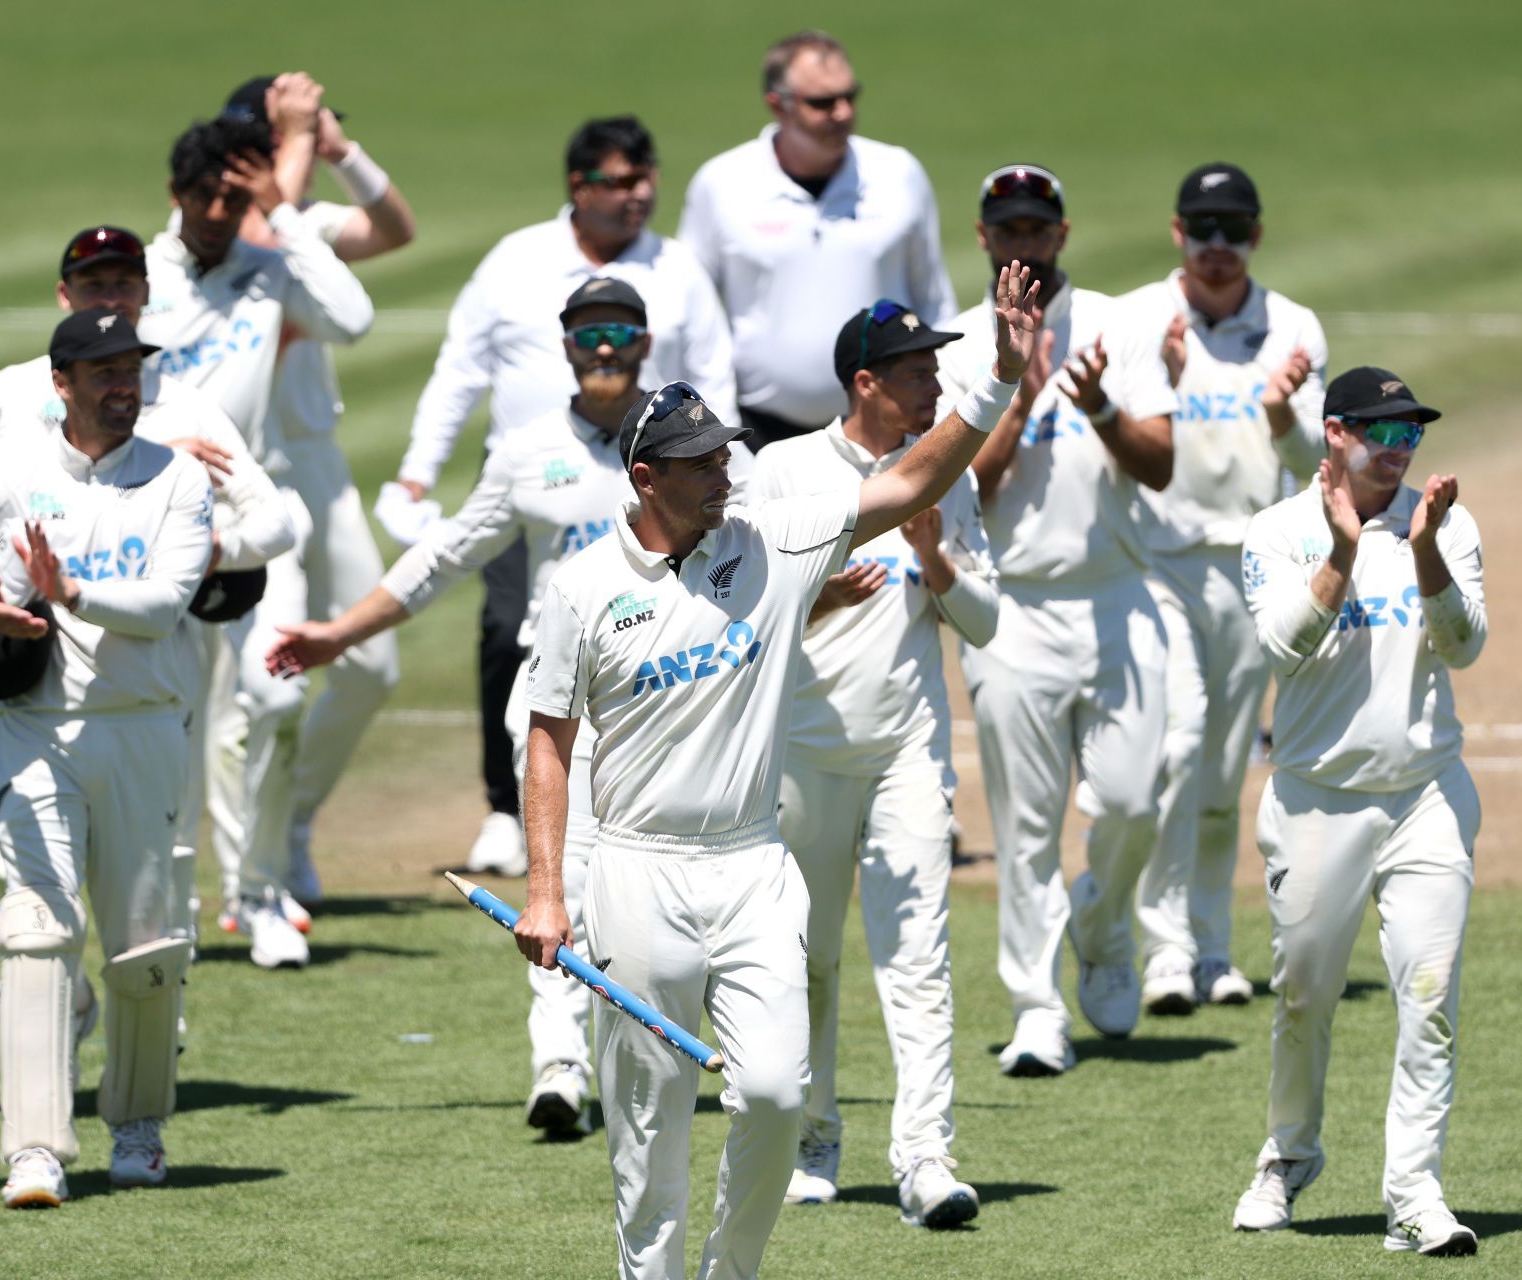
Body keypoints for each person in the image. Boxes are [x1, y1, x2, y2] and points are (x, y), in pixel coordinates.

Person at [511, 265, 1040, 1280]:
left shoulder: (773, 540)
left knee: (771, 1091)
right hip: (637, 872)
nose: (724, 473)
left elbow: (913, 479)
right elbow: (547, 737)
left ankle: (731, 1268)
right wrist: (545, 889)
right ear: (646, 477)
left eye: (724, 455)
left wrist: (998, 380)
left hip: (753, 865)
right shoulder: (581, 590)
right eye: (700, 462)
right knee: (651, 1114)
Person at [263, 279, 739, 1139]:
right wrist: (341, 632)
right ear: (563, 346)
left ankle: (665, 1054)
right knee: (563, 884)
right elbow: (442, 558)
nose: (605, 347)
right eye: (589, 332)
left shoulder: (685, 447)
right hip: (563, 700)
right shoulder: (525, 452)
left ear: (644, 343)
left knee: (672, 891)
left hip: (679, 698)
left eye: (622, 332)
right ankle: (558, 1064)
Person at [0, 310, 214, 1207]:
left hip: (145, 726)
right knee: (36, 926)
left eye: (132, 368)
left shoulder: (178, 479)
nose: (124, 385)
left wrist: (74, 591)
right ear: (62, 384)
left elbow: (164, 602)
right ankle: (33, 1149)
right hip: (38, 732)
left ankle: (139, 1125)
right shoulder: (11, 479)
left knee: (146, 942)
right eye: (103, 371)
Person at [391, 114, 737, 882]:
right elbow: (460, 373)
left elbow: (717, 381)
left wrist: (725, 476)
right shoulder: (515, 260)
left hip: (648, 488)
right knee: (505, 636)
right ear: (578, 188)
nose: (637, 195)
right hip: (525, 487)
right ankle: (505, 809)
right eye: (618, 181)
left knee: (658, 637)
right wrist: (417, 474)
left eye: (645, 179)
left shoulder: (678, 268)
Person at [0, 225, 297, 958]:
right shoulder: (15, 392)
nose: (111, 297)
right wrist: (156, 462)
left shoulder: (189, 405)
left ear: (147, 294)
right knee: (34, 850)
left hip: (156, 654)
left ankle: (161, 1020)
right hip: (48, 657)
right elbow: (35, 500)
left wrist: (204, 554)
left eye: (124, 284)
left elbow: (274, 525)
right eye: (94, 286)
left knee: (164, 843)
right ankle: (62, 988)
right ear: (65, 296)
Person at [752, 300, 998, 1226]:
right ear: (866, 383)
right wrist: (812, 600)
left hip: (907, 756)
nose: (935, 385)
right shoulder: (782, 472)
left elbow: (989, 624)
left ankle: (925, 1157)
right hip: (802, 758)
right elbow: (736, 612)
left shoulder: (946, 477)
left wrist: (937, 566)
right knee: (805, 959)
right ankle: (816, 1138)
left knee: (918, 957)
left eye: (936, 370)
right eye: (918, 373)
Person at [1233, 368, 1483, 1258]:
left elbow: (1466, 646)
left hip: (1427, 799)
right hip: (1315, 801)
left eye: (1410, 433)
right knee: (1304, 996)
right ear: (1334, 433)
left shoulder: (1444, 523)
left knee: (1431, 998)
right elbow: (1282, 650)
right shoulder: (1277, 532)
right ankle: (1289, 1157)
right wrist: (1342, 554)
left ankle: (1415, 1195)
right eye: (1382, 430)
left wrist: (1424, 551)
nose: (1399, 446)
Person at [936, 165, 1178, 1075]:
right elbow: (966, 484)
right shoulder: (959, 344)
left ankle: (1106, 929)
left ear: (1062, 234)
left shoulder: (1123, 323)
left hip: (1118, 593)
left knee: (1128, 799)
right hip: (1014, 604)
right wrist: (1020, 388)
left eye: (1038, 228)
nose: (1024, 243)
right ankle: (1037, 1007)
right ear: (984, 236)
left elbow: (1158, 465)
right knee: (1026, 822)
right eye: (1009, 229)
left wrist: (1101, 408)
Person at [138, 111, 373, 965]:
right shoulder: (139, 274)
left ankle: (262, 892)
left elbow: (353, 317)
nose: (215, 211)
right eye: (203, 195)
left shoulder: (269, 266)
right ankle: (170, 905)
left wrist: (279, 213)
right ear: (176, 195)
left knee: (275, 697)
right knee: (176, 720)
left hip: (254, 512)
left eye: (230, 197)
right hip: (154, 516)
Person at [1119, 163, 1329, 1014]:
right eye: (1202, 229)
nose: (1217, 247)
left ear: (1256, 235)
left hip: (1253, 562)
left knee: (1221, 770)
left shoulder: (1292, 327)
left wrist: (1284, 416)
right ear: (1177, 233)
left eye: (1233, 230)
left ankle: (1210, 949)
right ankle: (1163, 948)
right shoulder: (1139, 317)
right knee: (1179, 744)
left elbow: (1320, 466)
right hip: (1158, 559)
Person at [216, 72, 416, 909]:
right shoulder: (219, 230)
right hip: (251, 476)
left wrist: (341, 150)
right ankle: (246, 875)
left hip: (320, 467)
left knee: (372, 661)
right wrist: (293, 141)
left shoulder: (302, 220)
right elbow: (261, 236)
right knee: (262, 684)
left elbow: (395, 229)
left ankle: (289, 821)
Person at [678, 30, 957, 452]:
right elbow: (692, 315)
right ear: (777, 104)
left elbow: (934, 299)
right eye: (822, 103)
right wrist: (714, 432)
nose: (843, 113)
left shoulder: (899, 174)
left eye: (850, 96)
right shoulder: (721, 184)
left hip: (888, 427)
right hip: (761, 435)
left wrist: (945, 405)